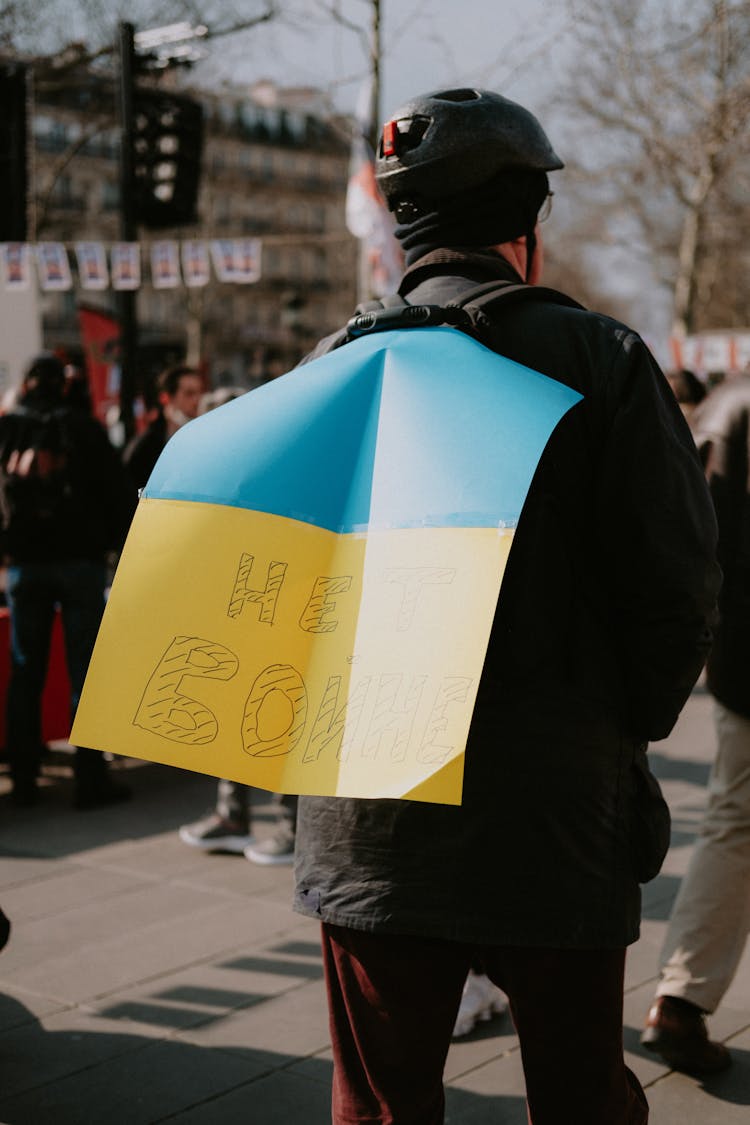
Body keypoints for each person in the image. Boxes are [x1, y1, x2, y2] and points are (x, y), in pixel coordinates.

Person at [292, 88, 720, 1125]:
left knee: (382, 1105)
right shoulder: (604, 363)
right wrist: (622, 729)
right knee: (581, 1096)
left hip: (366, 815)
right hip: (557, 808)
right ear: (523, 224)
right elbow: (678, 595)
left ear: (407, 225)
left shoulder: (331, 371)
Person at [641, 372, 750, 1076]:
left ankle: (681, 997)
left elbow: (689, 539)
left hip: (745, 650)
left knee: (735, 817)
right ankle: (680, 1000)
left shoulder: (730, 408)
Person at [0, 352, 137, 808]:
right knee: (85, 673)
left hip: (23, 565)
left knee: (26, 672)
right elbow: (116, 494)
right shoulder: (83, 428)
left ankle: (22, 779)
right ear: (63, 385)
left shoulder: (7, 429)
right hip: (79, 563)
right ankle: (90, 777)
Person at [176, 384, 299, 866]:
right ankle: (234, 815)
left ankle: (289, 824)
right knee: (234, 714)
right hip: (235, 605)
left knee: (272, 716)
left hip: (269, 605)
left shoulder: (268, 467)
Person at [122, 363, 203, 490]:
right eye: (189, 394)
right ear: (165, 398)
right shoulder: (144, 447)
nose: (197, 400)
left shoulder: (202, 439)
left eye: (199, 393)